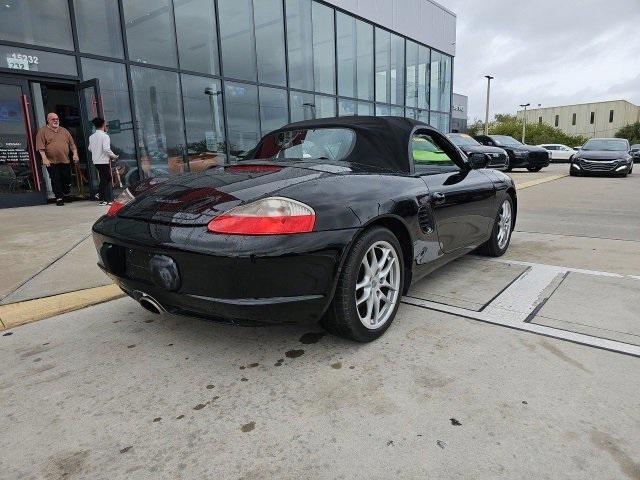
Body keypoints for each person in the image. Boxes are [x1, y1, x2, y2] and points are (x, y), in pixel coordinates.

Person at [35, 113, 79, 206]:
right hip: (51, 161)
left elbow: (72, 145)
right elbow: (40, 147)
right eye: (53, 119)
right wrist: (44, 158)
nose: (56, 120)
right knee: (55, 179)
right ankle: (59, 198)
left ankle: (65, 192)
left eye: (57, 118)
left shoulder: (64, 131)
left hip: (65, 160)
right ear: (48, 120)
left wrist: (75, 154)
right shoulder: (42, 131)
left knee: (67, 179)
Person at [88, 117, 118, 206]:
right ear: (103, 125)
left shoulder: (91, 136)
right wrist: (114, 156)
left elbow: (90, 148)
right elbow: (106, 149)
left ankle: (104, 199)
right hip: (103, 161)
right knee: (106, 178)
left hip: (96, 161)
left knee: (106, 178)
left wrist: (97, 151)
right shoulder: (105, 136)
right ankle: (100, 196)